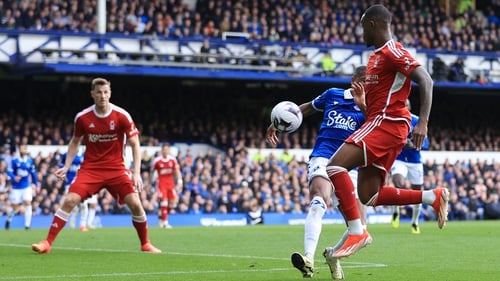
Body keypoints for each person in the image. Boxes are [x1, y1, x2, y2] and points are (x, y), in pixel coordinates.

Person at [323, 4, 449, 259]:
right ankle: (431, 197)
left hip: (388, 123)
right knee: (368, 195)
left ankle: (358, 232)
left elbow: (426, 80)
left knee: (334, 167)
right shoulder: (375, 58)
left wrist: (422, 122)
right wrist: (362, 105)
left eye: (362, 29)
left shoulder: (392, 51)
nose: (362, 36)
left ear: (372, 24)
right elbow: (378, 105)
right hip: (382, 122)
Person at [32, 77, 160, 254]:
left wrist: (137, 173)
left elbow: (135, 143)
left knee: (136, 204)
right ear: (92, 94)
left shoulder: (122, 115)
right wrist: (67, 166)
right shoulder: (83, 118)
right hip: (91, 169)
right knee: (69, 200)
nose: (103, 95)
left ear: (110, 93)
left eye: (106, 92)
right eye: (99, 92)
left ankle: (145, 244)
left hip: (117, 169)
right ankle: (47, 243)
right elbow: (75, 142)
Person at [266, 66, 368, 280]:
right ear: (353, 80)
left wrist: (362, 105)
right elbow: (306, 109)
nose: (367, 86)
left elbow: (375, 130)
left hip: (350, 165)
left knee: (360, 230)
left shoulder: (371, 108)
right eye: (363, 81)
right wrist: (279, 122)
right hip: (323, 156)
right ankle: (308, 258)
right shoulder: (333, 95)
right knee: (318, 198)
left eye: (371, 83)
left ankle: (332, 256)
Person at [390, 99, 429, 234]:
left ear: (410, 107)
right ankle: (396, 212)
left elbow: (426, 144)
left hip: (415, 161)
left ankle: (415, 222)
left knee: (418, 193)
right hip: (399, 159)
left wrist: (415, 145)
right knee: (398, 183)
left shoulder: (417, 121)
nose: (403, 107)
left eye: (406, 105)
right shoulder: (394, 120)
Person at [59, 149, 98, 232]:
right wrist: (62, 173)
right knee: (71, 205)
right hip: (69, 184)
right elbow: (61, 164)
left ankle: (82, 225)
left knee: (83, 204)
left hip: (81, 183)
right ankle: (71, 221)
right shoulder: (67, 155)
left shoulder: (84, 154)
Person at [5, 144, 38, 230]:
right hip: (16, 187)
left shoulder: (30, 161)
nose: (23, 150)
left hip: (26, 186)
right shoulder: (14, 161)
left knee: (28, 202)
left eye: (25, 149)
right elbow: (9, 171)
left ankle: (27, 225)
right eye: (22, 149)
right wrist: (14, 177)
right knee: (16, 207)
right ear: (19, 150)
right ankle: (9, 218)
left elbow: (33, 173)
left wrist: (35, 183)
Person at [150, 143, 182, 229]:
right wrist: (149, 183)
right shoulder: (157, 161)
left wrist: (180, 181)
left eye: (167, 149)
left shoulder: (172, 160)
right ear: (162, 150)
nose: (165, 151)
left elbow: (177, 170)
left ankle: (161, 217)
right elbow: (151, 172)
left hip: (171, 184)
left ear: (169, 150)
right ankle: (165, 222)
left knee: (173, 203)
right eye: (164, 149)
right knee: (164, 201)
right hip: (161, 183)